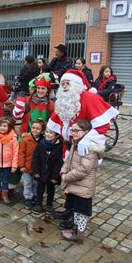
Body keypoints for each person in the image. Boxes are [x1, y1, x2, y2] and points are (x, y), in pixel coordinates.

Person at [47, 69, 118, 226]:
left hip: (85, 151)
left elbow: (103, 124)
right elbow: (56, 119)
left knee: (81, 185)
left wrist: (87, 140)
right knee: (70, 183)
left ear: (77, 85)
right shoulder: (64, 100)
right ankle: (69, 210)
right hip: (69, 149)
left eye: (68, 83)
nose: (65, 86)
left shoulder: (90, 98)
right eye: (63, 83)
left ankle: (77, 219)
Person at [60, 120, 104, 242]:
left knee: (82, 211)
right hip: (75, 183)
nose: (73, 132)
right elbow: (68, 160)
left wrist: (67, 177)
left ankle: (79, 234)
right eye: (72, 130)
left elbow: (84, 169)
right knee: (76, 208)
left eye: (76, 130)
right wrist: (63, 171)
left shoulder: (89, 148)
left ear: (86, 132)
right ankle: (75, 229)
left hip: (83, 185)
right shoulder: (76, 143)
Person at [31, 128, 63, 214]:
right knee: (40, 188)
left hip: (52, 173)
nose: (48, 134)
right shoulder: (40, 144)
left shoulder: (59, 147)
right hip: (41, 172)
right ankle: (38, 203)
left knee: (51, 189)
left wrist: (55, 176)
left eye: (51, 133)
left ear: (57, 136)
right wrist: (36, 171)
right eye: (47, 132)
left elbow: (59, 162)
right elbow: (35, 158)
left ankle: (49, 204)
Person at [18, 119, 45, 210]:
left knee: (35, 183)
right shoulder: (26, 140)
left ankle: (34, 196)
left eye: (38, 128)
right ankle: (28, 198)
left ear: (42, 130)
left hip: (37, 169)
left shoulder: (43, 141)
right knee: (27, 183)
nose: (35, 130)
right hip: (26, 167)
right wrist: (21, 165)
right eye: (33, 128)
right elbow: (21, 153)